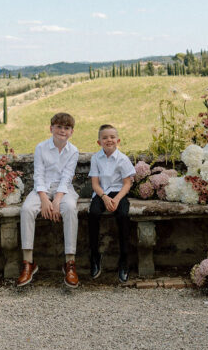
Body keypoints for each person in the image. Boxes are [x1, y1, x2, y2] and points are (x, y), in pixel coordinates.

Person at [17, 112, 80, 289]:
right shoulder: (41, 147)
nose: (62, 131)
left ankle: (70, 263)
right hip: (42, 189)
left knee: (70, 208)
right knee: (27, 209)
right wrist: (44, 199)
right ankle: (28, 263)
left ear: (71, 132)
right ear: (51, 128)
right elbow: (38, 175)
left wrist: (57, 201)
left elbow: (67, 177)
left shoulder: (73, 151)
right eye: (59, 127)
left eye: (66, 128)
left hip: (64, 190)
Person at [88, 124, 134, 283]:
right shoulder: (95, 158)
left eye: (112, 137)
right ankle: (95, 256)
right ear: (99, 142)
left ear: (118, 140)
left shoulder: (123, 159)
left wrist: (117, 199)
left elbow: (127, 184)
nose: (109, 140)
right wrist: (105, 197)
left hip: (119, 193)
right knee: (93, 213)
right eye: (105, 137)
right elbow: (95, 184)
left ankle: (124, 259)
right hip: (101, 193)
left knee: (123, 215)